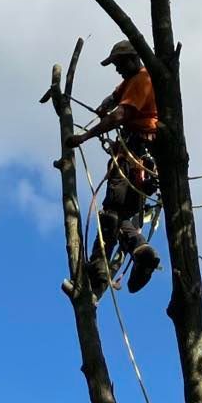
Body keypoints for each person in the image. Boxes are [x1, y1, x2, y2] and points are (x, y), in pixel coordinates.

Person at [67, 38, 161, 295]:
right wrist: (104, 105)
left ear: (133, 59)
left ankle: (101, 269)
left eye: (119, 64)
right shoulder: (130, 81)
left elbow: (121, 115)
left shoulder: (143, 80)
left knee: (111, 213)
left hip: (134, 159)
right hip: (136, 159)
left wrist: (84, 137)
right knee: (117, 217)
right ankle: (134, 254)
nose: (117, 69)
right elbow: (116, 97)